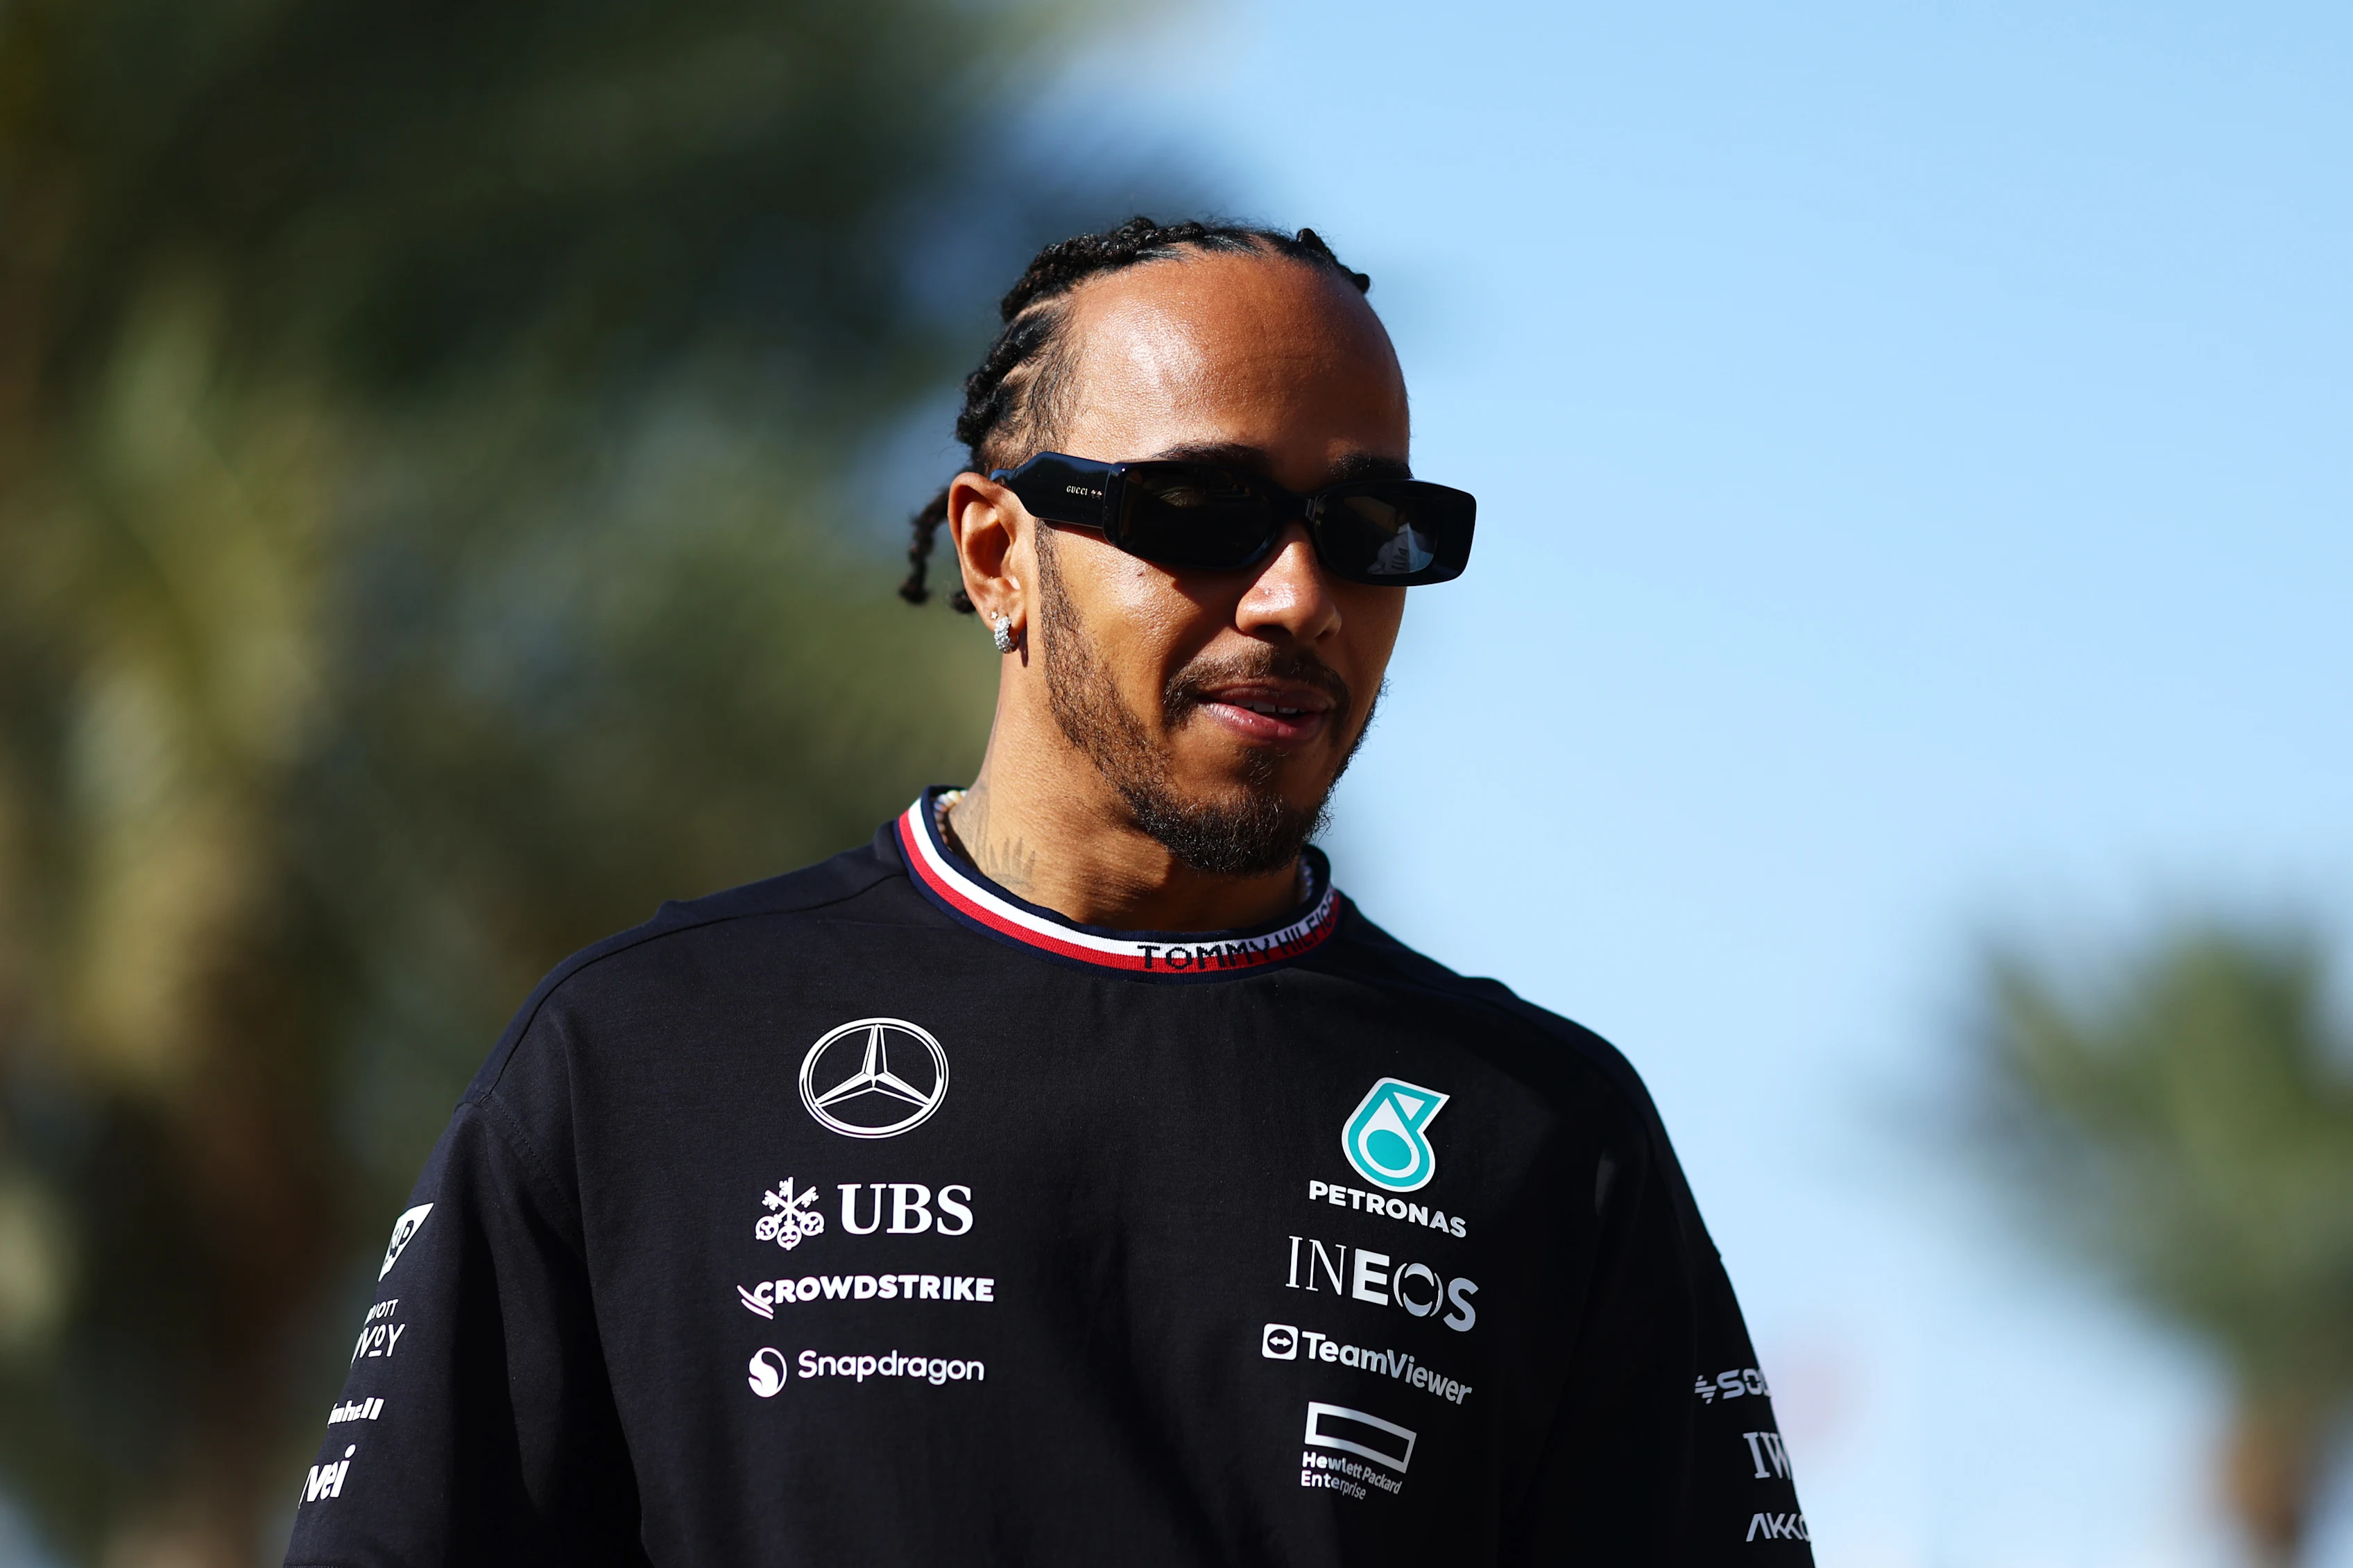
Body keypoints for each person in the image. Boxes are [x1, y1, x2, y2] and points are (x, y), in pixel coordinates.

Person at [284, 217, 1811, 1566]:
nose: (1293, 596)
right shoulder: (639, 1055)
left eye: (1366, 534)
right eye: (1201, 513)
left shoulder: (1546, 1128)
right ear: (996, 552)